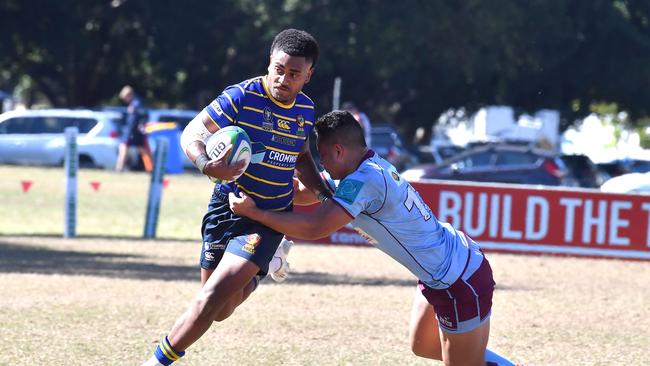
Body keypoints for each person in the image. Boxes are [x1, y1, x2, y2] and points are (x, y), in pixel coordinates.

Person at [229, 110, 517, 366]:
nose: (322, 164)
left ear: (339, 151)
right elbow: (308, 191)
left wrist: (257, 214)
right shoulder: (363, 167)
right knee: (423, 346)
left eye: (323, 156)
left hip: (458, 280)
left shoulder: (365, 181)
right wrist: (259, 186)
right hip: (447, 268)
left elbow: (316, 227)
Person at [141, 29, 331, 366]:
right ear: (269, 63)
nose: (283, 79)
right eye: (278, 69)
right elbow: (193, 133)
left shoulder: (305, 109)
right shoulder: (241, 96)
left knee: (211, 298)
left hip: (267, 218)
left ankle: (156, 362)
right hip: (226, 208)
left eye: (293, 74)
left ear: (308, 75)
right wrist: (205, 163)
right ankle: (267, 266)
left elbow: (303, 159)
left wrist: (323, 194)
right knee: (219, 310)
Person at [115, 85, 153, 172]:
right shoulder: (135, 103)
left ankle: (119, 168)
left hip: (132, 131)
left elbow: (143, 116)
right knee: (142, 149)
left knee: (123, 147)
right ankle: (151, 168)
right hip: (133, 131)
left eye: (125, 97)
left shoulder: (136, 104)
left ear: (130, 95)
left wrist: (140, 124)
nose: (125, 100)